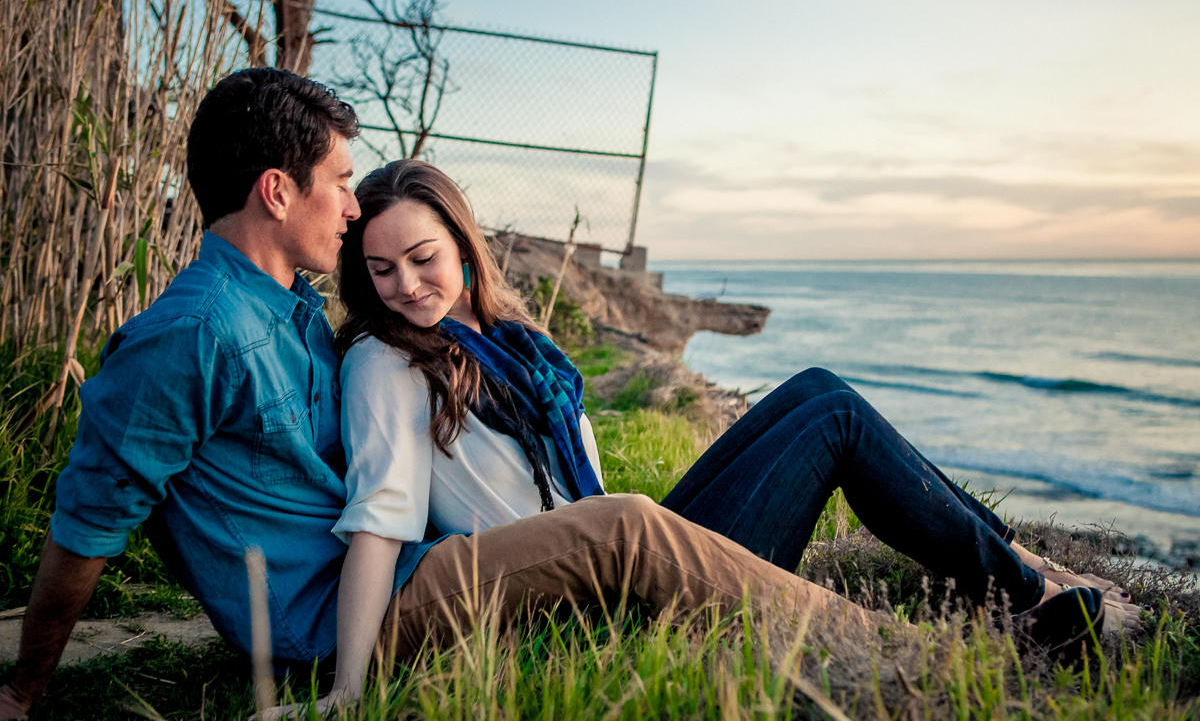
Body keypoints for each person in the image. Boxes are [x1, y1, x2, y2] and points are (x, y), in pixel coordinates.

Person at [262, 160, 1138, 717]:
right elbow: (378, 516)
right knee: (662, 501)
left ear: (461, 240)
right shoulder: (384, 361)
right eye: (379, 270)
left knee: (822, 397)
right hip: (589, 592)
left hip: (628, 547)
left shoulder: (510, 343)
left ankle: (1022, 575)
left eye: (422, 258)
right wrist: (348, 689)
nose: (407, 285)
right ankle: (976, 637)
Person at [0, 68, 363, 720]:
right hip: (333, 622)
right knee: (611, 532)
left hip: (385, 570)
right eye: (341, 183)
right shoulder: (193, 336)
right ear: (278, 192)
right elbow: (90, 522)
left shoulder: (293, 309)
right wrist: (21, 694)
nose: (353, 206)